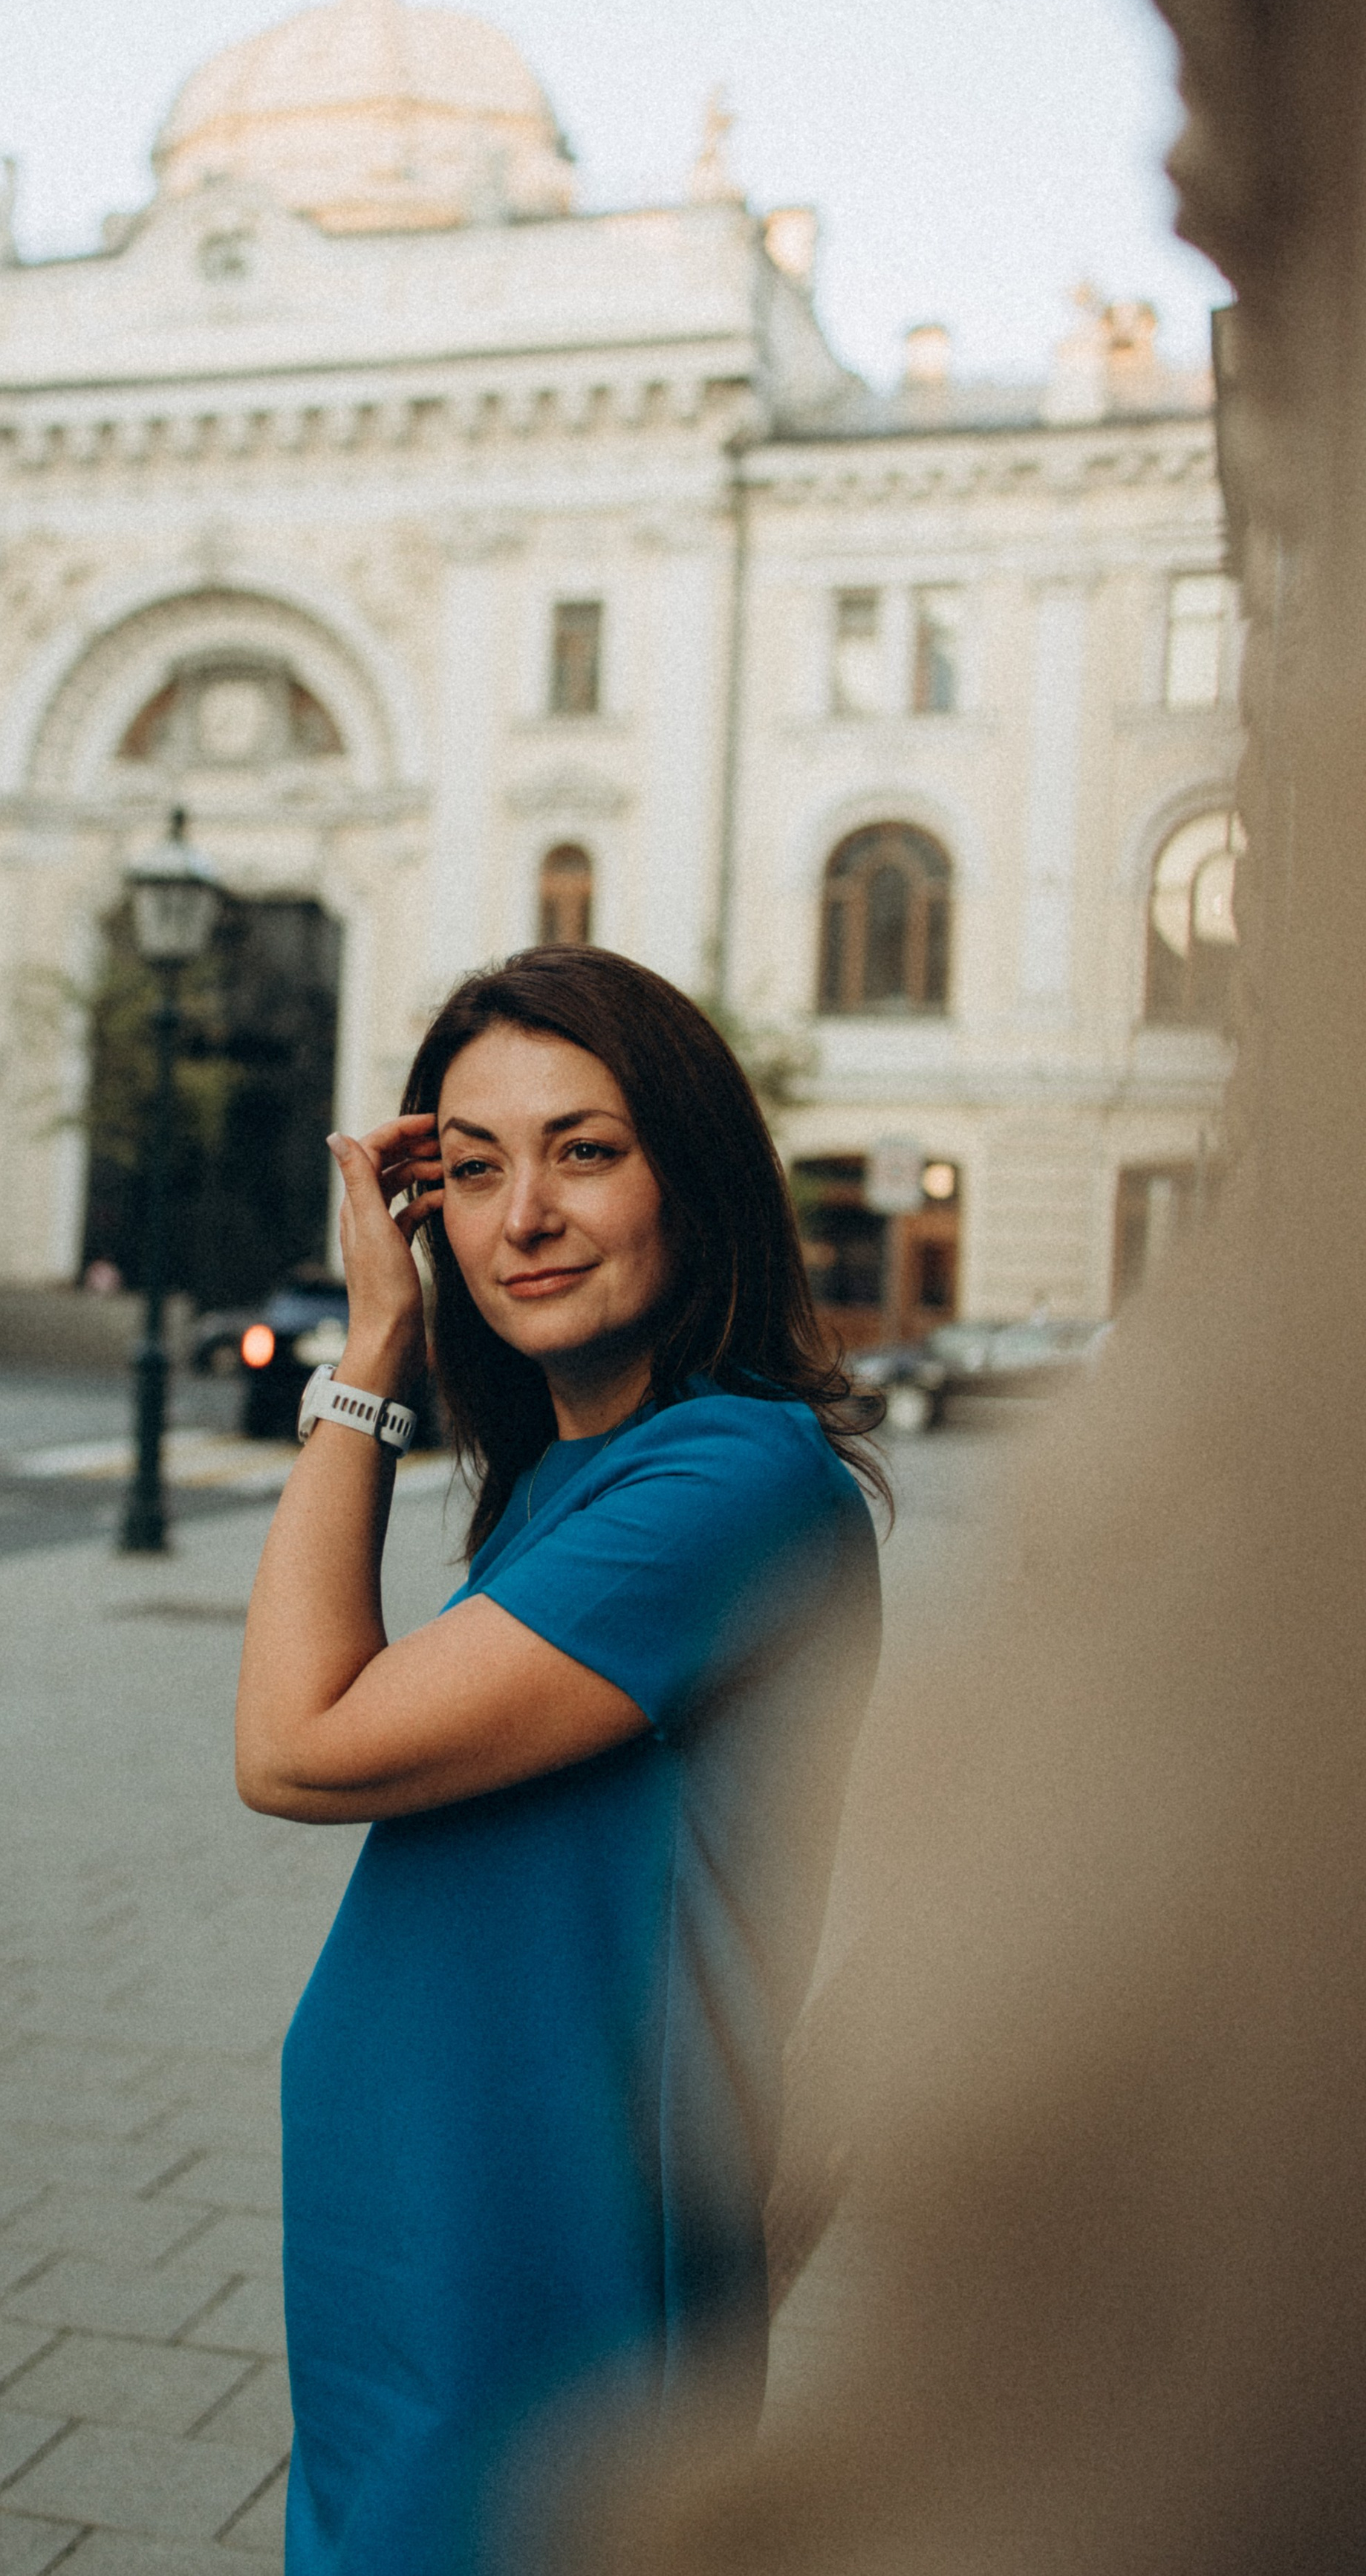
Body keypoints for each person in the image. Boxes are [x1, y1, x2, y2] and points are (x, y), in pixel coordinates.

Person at [236, 946, 885, 2575]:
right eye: (467, 1169)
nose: (518, 1215)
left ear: (696, 1174)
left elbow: (295, 1745)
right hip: (434, 2257)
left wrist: (363, 1357)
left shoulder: (726, 1481)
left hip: (551, 2288)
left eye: (583, 1150)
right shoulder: (581, 1474)